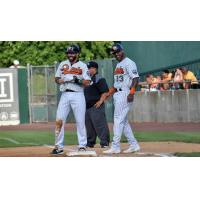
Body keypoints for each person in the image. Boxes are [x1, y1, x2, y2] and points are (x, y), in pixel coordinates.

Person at [51, 44, 91, 155]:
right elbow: (56, 78)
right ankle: (58, 146)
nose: (70, 55)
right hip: (64, 94)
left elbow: (87, 82)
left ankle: (82, 145)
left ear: (77, 54)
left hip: (78, 94)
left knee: (80, 121)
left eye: (72, 53)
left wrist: (75, 80)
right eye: (68, 53)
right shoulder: (63, 64)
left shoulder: (82, 66)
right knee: (59, 120)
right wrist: (61, 80)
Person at [103, 43, 140, 154]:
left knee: (118, 120)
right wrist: (108, 93)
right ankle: (134, 145)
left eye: (118, 52)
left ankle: (115, 146)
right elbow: (117, 84)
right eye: (114, 53)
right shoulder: (118, 65)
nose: (116, 54)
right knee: (123, 122)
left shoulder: (129, 63)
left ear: (122, 51)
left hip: (125, 93)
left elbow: (136, 78)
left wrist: (132, 92)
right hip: (118, 93)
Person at [84, 61, 110, 148]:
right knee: (89, 127)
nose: (88, 70)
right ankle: (90, 143)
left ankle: (104, 143)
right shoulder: (87, 79)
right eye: (87, 68)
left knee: (100, 125)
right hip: (86, 107)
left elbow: (105, 92)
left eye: (89, 68)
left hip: (96, 106)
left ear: (94, 68)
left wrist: (100, 101)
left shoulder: (99, 78)